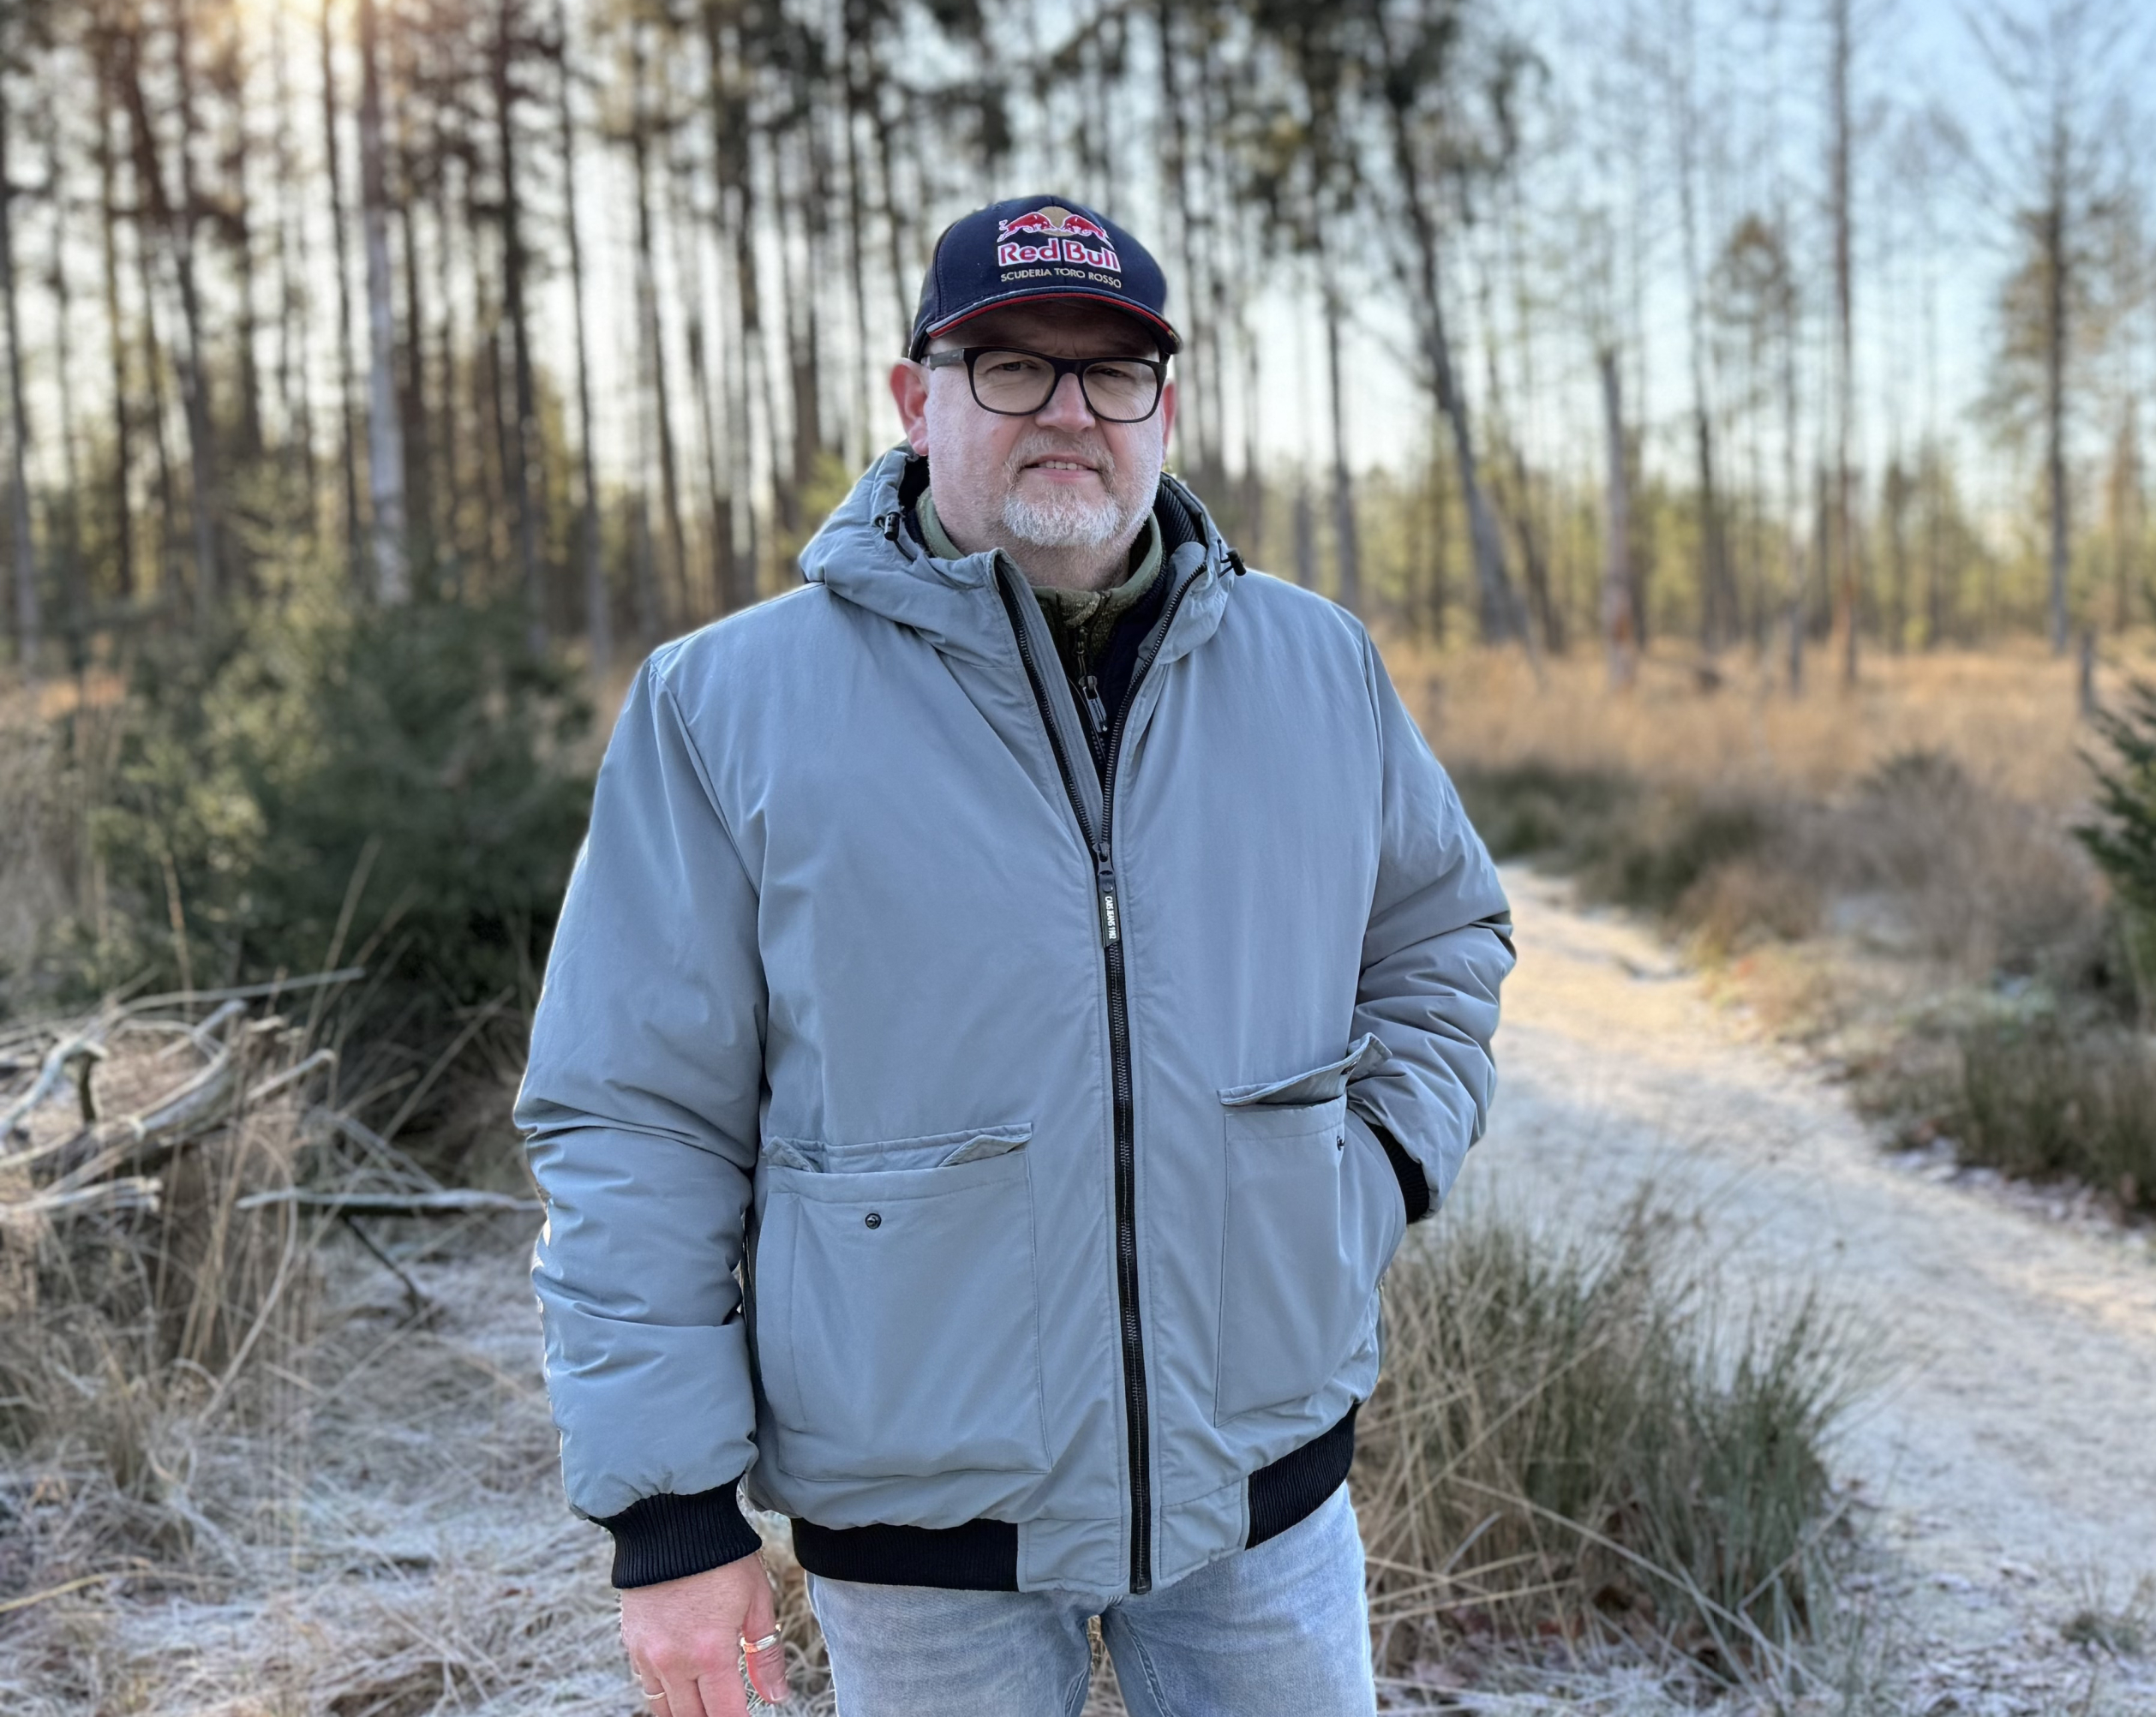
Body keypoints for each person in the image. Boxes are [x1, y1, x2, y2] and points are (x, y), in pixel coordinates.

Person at [515, 193, 1512, 1717]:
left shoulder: (1319, 667)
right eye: (1010, 366)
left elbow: (1444, 938)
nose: (1068, 411)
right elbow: (632, 1113)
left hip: (1264, 1496)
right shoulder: (724, 706)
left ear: (1163, 406)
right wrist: (670, 1521)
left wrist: (1369, 1173)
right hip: (919, 1541)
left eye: (1112, 371)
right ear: (917, 400)